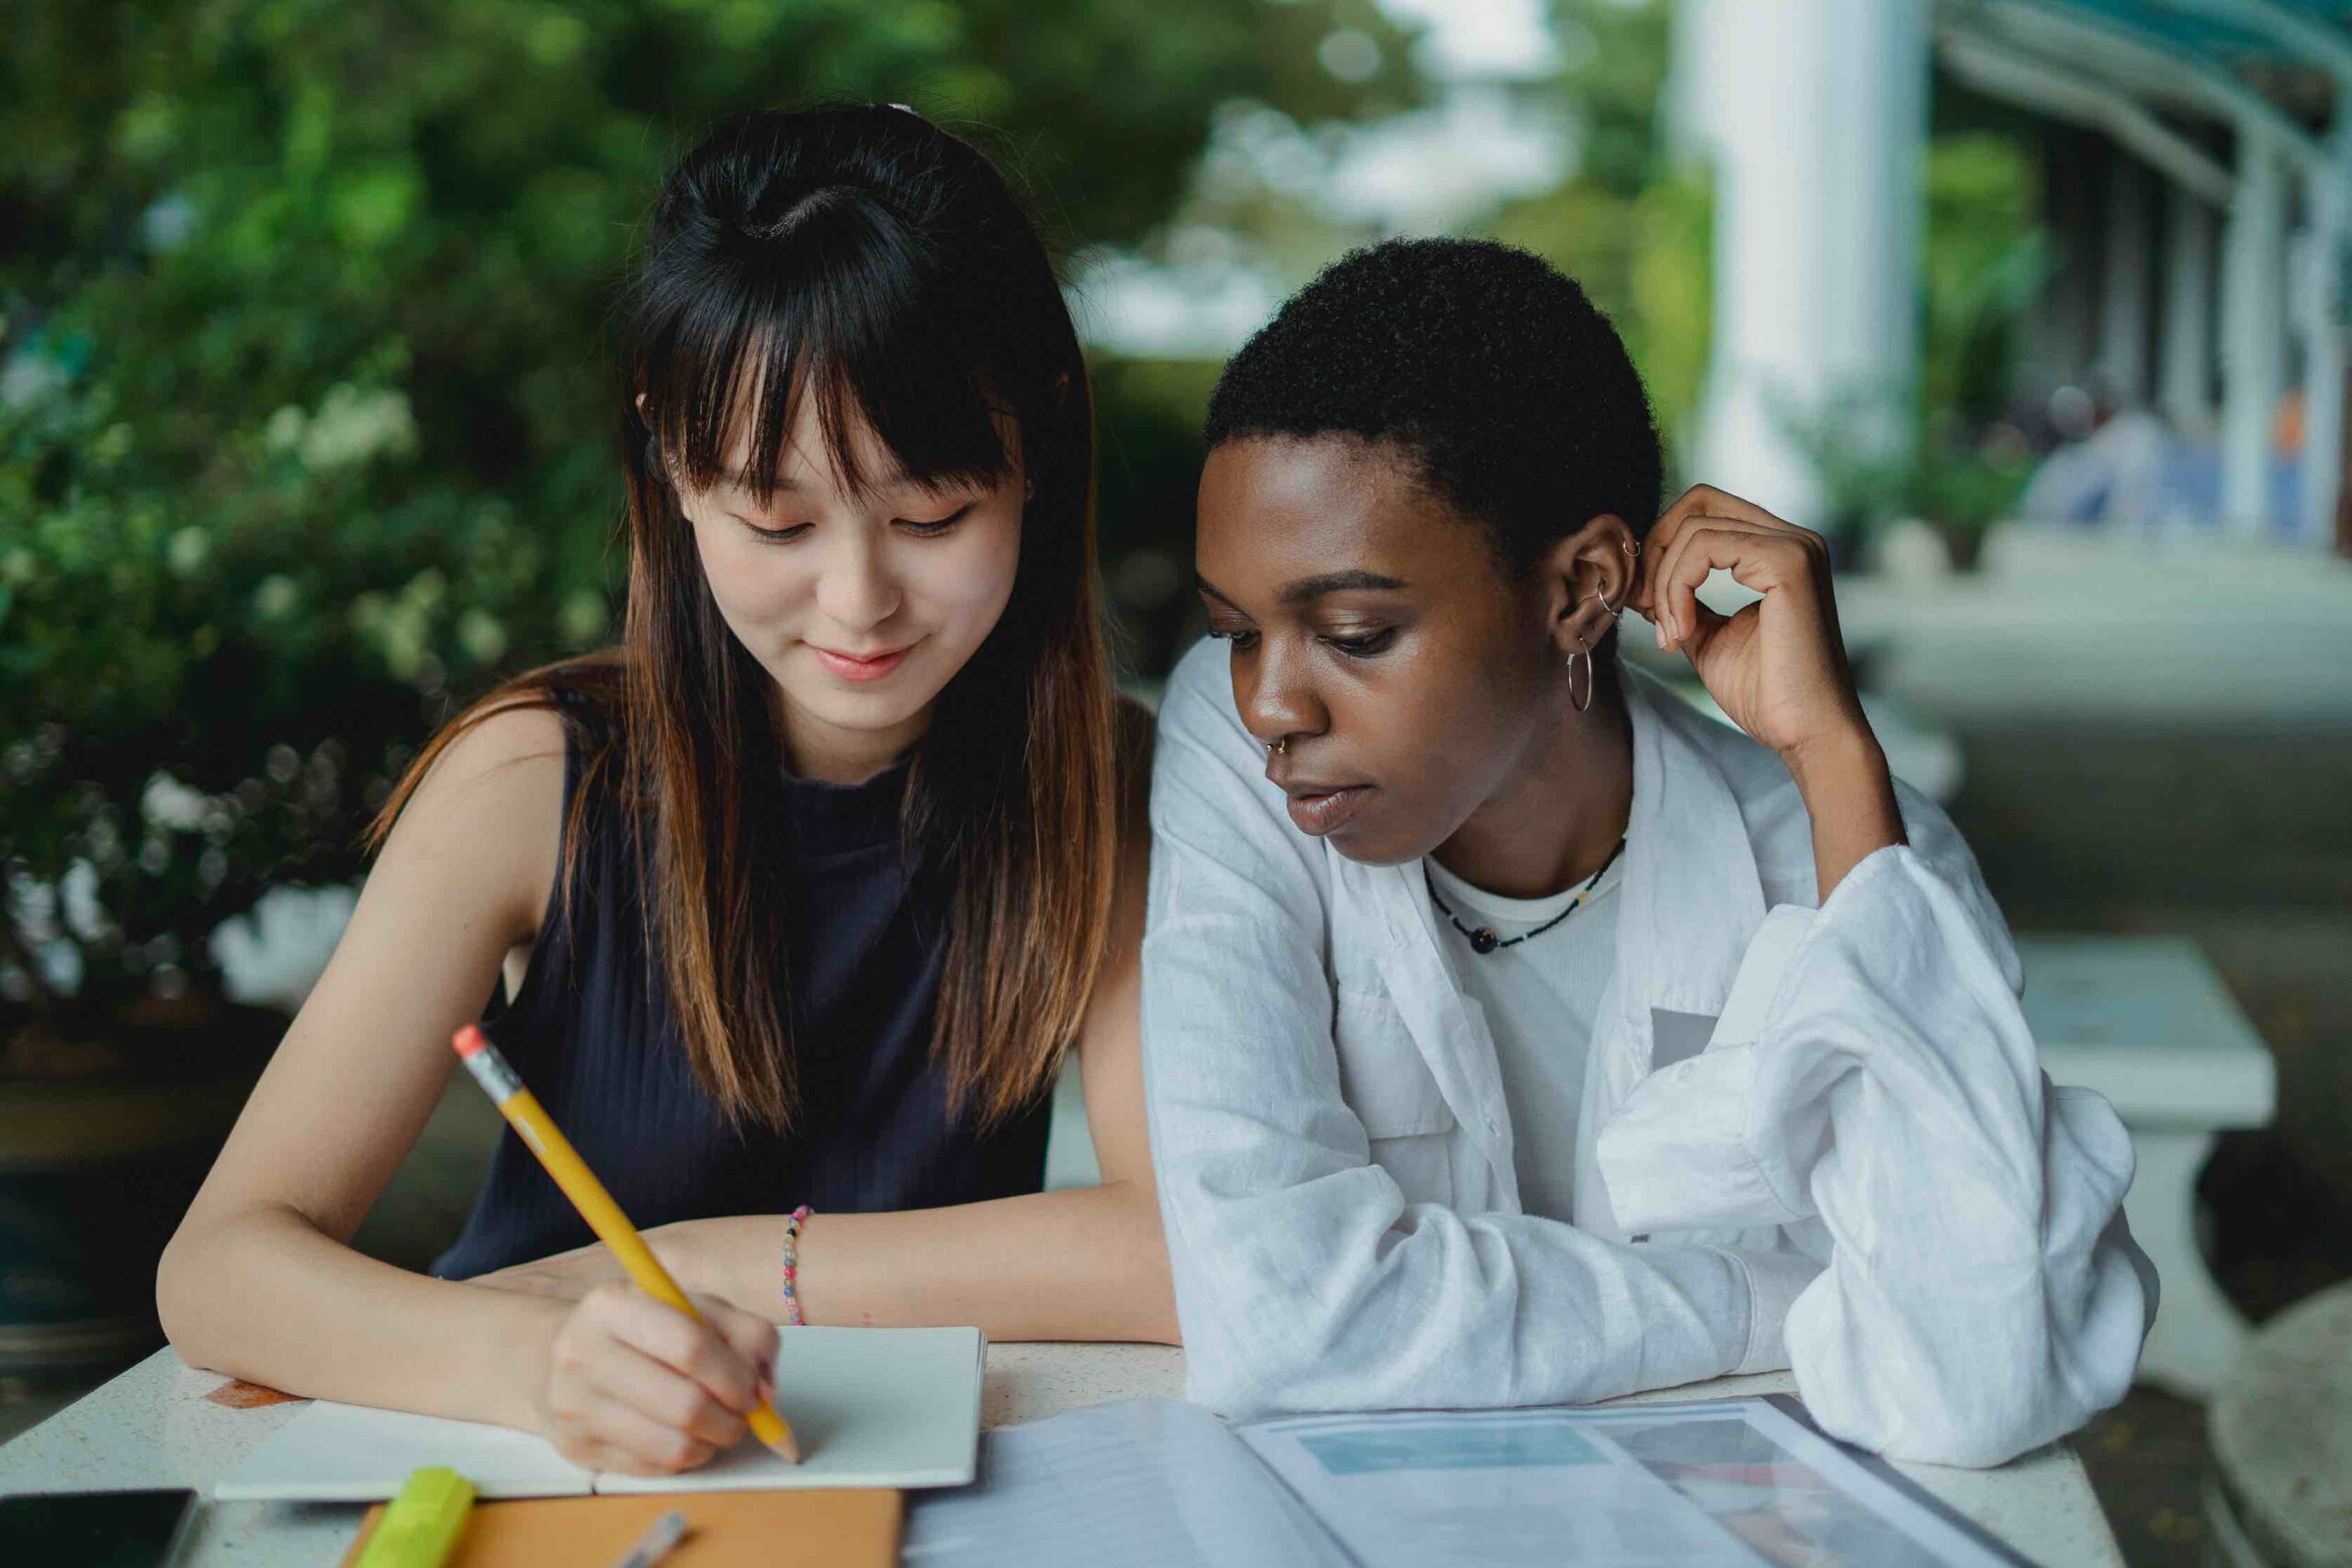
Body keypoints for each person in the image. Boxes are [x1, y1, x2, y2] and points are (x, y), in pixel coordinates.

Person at [158, 106, 1175, 1478]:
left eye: (933, 515)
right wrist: (544, 1365)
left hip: (889, 1489)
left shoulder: (1101, 786)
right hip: (525, 1472)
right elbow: (220, 1271)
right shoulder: (536, 776)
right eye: (776, 521)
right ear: (669, 461)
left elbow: (1184, 1253)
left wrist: (706, 1267)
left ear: (1037, 454)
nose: (858, 599)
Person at [1140, 237, 2154, 1467]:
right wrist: (1784, 1304)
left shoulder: (1842, 860)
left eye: (1355, 632)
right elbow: (1280, 1322)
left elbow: (1976, 1385)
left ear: (1580, 591)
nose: (1271, 703)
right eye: (1236, 630)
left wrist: (1833, 751)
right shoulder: (1239, 756)